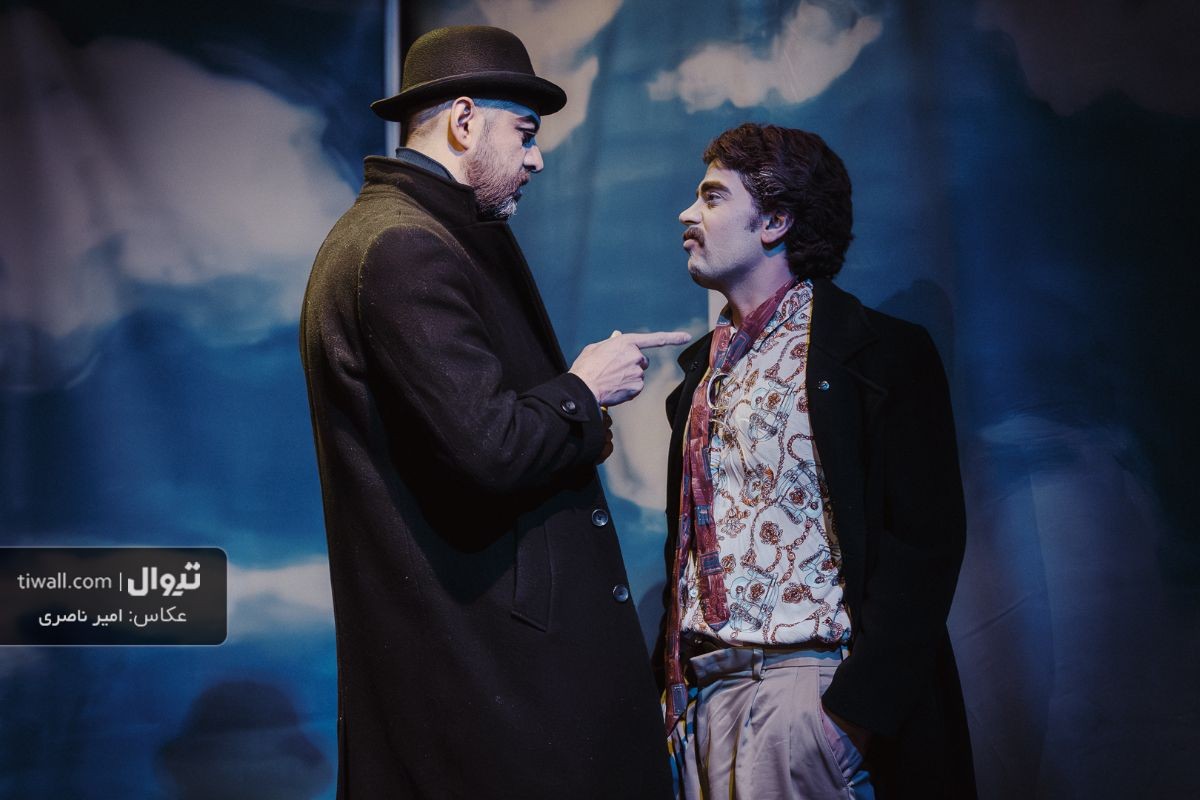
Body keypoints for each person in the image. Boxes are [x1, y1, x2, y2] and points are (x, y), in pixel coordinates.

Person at [300, 25, 683, 798]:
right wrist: (585, 389)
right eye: (525, 134)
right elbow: (487, 447)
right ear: (464, 120)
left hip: (482, 673)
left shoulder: (424, 234)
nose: (536, 159)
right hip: (485, 679)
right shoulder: (403, 246)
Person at [657, 123, 975, 799]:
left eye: (712, 197)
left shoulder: (879, 357)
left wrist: (849, 716)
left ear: (775, 221)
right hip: (703, 698)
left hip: (803, 692)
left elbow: (924, 544)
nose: (687, 214)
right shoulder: (700, 375)